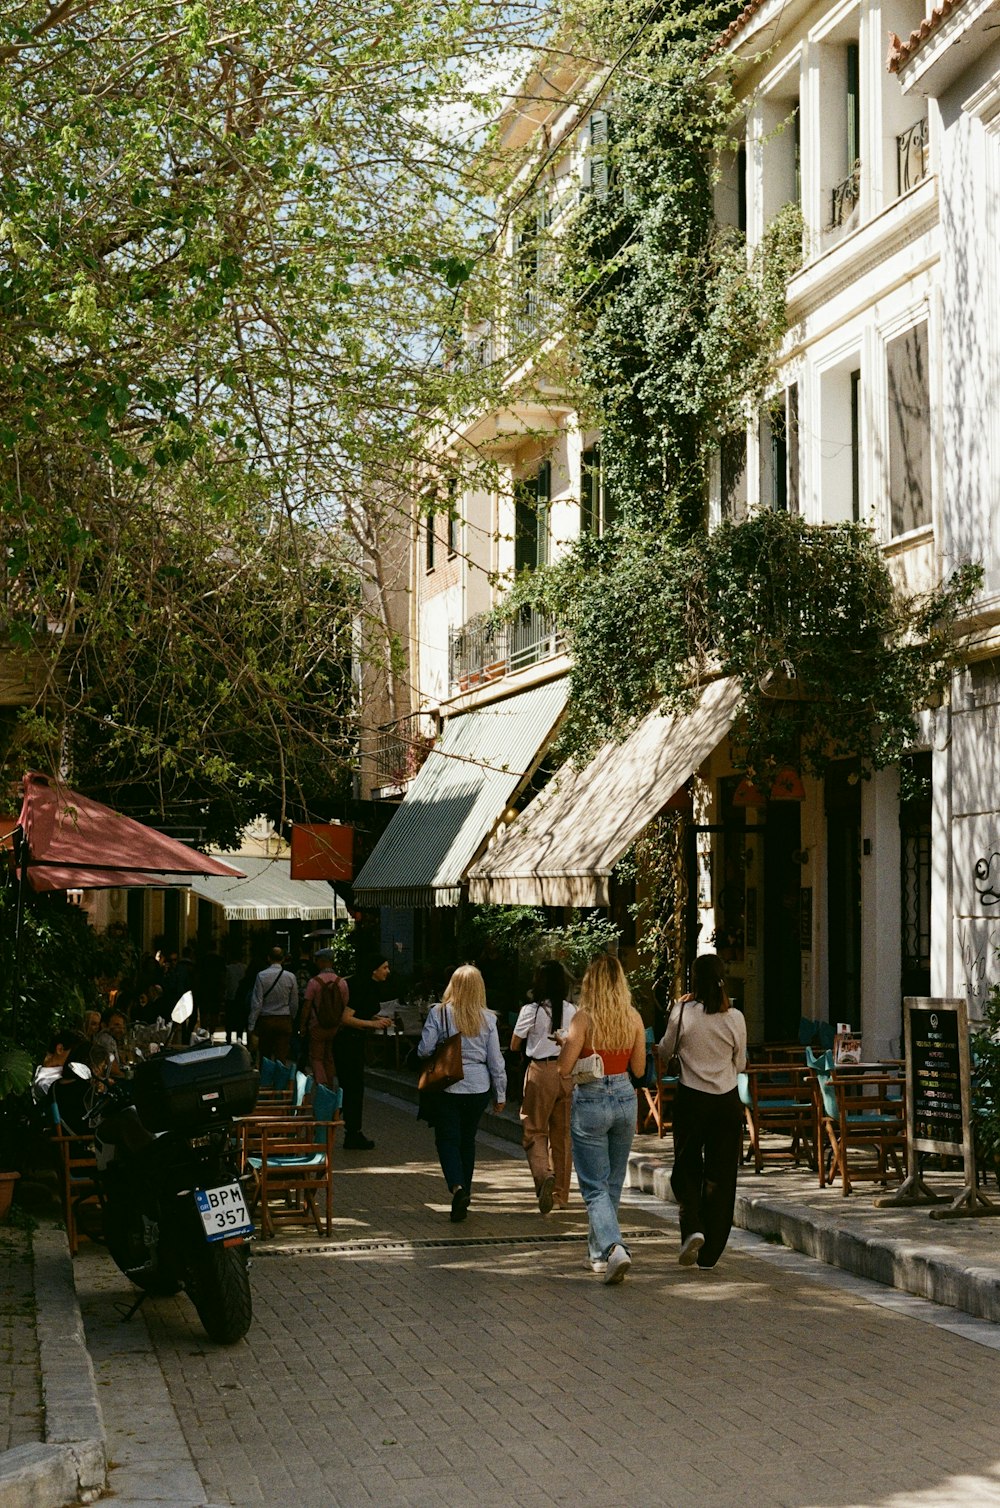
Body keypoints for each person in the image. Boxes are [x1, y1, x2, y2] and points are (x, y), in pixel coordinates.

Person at [558, 953, 645, 1284]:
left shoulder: (583, 1019)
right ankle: (597, 1255)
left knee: (593, 1186)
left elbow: (564, 1069)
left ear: (590, 984)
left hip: (592, 1099)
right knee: (612, 1181)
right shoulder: (633, 1017)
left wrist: (566, 1043)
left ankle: (613, 1247)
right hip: (625, 1097)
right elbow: (638, 1070)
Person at [659, 951, 747, 1270]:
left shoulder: (683, 1012)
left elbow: (665, 1049)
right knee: (721, 1177)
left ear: (694, 981)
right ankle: (711, 1252)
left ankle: (692, 1226)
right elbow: (741, 1063)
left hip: (692, 1100)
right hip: (726, 1100)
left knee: (686, 1168)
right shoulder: (734, 1017)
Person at [417, 964, 506, 1222]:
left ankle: (457, 1187)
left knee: (447, 1139)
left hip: (448, 1085)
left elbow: (424, 1049)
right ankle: (465, 1192)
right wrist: (500, 1094)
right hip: (479, 1085)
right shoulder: (488, 1019)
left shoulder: (439, 1013)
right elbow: (496, 1060)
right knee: (468, 1140)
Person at [511, 959, 576, 1214]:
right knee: (563, 1136)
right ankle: (561, 1194)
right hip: (567, 1074)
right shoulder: (573, 1010)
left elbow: (516, 1044)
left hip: (541, 1071)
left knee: (534, 1130)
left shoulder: (531, 1010)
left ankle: (543, 1175)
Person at [335, 952, 393, 1149]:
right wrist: (371, 1023)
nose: (388, 971)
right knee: (353, 1087)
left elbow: (358, 1013)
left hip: (353, 1041)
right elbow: (346, 1017)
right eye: (384, 967)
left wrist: (374, 1021)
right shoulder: (361, 987)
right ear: (374, 969)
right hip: (348, 1043)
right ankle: (352, 1132)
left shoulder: (364, 985)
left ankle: (351, 1130)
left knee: (353, 1087)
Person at [297, 948, 350, 1089]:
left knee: (316, 1057)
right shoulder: (342, 982)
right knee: (329, 1057)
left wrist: (302, 1025)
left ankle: (322, 1084)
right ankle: (331, 1084)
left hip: (317, 1025)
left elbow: (307, 1005)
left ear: (321, 962)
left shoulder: (314, 982)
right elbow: (345, 1005)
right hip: (335, 1026)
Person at [247, 946, 299, 1064]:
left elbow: (257, 1003)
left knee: (265, 1056)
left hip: (266, 1019)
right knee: (282, 1056)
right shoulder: (291, 977)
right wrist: (291, 1018)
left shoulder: (261, 976)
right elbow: (294, 1002)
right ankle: (279, 1080)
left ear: (268, 958)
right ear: (283, 959)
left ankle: (266, 1080)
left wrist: (251, 1024)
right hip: (284, 1019)